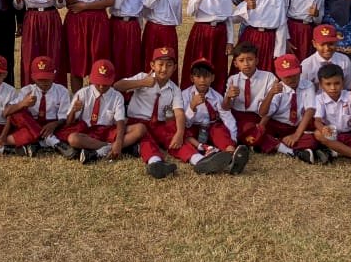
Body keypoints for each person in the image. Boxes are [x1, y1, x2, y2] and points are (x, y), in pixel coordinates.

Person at [115, 46, 186, 180]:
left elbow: (179, 112)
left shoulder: (174, 89)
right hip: (137, 121)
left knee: (173, 137)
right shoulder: (143, 77)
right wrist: (142, 83)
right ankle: (155, 162)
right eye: (160, 64)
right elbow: (117, 86)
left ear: (175, 68)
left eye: (169, 65)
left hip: (158, 124)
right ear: (152, 65)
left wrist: (180, 133)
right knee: (146, 139)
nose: (164, 69)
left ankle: (197, 159)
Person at [174, 58, 250, 175]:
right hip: (193, 130)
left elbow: (227, 117)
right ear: (191, 78)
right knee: (183, 132)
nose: (202, 80)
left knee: (218, 129)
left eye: (206, 77)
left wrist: (232, 139)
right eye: (198, 77)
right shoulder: (185, 95)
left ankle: (231, 153)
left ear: (212, 78)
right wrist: (192, 106)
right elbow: (185, 123)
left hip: (209, 128)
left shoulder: (216, 97)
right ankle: (206, 149)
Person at [183, 0, 234, 92]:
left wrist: (230, 41)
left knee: (218, 66)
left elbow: (228, 16)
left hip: (220, 33)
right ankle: (193, 96)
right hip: (202, 32)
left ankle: (216, 98)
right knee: (199, 65)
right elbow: (190, 11)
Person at [258, 53, 323, 162]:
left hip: (298, 126)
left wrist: (296, 135)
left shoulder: (308, 86)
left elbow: (310, 110)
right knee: (259, 133)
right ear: (278, 75)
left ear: (300, 70)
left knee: (313, 139)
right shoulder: (277, 88)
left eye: (294, 74)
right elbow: (263, 113)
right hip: (278, 126)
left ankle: (276, 144)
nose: (291, 79)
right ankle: (291, 151)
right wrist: (270, 94)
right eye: (286, 76)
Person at [63, 59, 128, 164]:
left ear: (112, 80)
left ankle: (106, 147)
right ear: (91, 79)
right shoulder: (83, 93)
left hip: (106, 131)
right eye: (98, 83)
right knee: (73, 139)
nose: (101, 87)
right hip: (86, 132)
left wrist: (119, 141)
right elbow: (68, 123)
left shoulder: (117, 96)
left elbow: (120, 121)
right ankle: (108, 147)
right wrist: (74, 111)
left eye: (105, 84)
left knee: (139, 129)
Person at [6, 55, 73, 156]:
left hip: (53, 127)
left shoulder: (62, 91)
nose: (44, 82)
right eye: (40, 79)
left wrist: (55, 124)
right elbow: (7, 112)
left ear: (54, 75)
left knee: (77, 127)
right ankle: (52, 141)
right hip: (31, 124)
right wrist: (23, 103)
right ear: (33, 77)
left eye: (47, 78)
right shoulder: (27, 90)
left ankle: (37, 143)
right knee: (17, 114)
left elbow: (64, 117)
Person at [223, 41, 282, 155]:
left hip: (260, 117)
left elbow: (273, 106)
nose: (246, 63)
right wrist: (228, 97)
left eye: (250, 59)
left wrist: (261, 125)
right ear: (235, 63)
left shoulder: (269, 77)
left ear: (257, 60)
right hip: (239, 117)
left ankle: (251, 141)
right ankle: (274, 145)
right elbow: (226, 107)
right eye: (241, 60)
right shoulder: (233, 79)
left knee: (269, 128)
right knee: (235, 127)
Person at [233, 0, 290, 67]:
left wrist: (279, 52)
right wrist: (247, 7)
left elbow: (281, 26)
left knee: (265, 68)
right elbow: (234, 19)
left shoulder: (278, 0)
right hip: (250, 38)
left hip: (269, 40)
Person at [140, 0, 182, 69]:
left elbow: (176, 11)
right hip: (153, 29)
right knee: (151, 61)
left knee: (167, 63)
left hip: (168, 31)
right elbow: (147, 4)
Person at [109, 0, 145, 80]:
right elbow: (116, 6)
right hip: (117, 24)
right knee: (116, 56)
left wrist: (139, 28)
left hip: (133, 26)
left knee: (131, 57)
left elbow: (140, 11)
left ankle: (130, 92)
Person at [301, 24, 351, 90]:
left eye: (331, 44)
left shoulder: (344, 60)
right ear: (314, 44)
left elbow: (349, 87)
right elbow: (302, 90)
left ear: (336, 42)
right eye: (322, 44)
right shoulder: (306, 65)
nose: (327, 48)